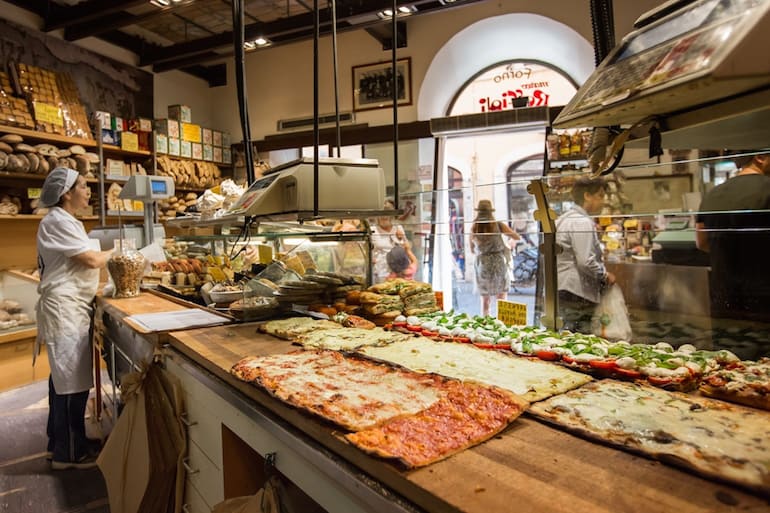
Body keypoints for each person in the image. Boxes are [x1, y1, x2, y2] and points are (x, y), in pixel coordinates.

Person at [35, 167, 113, 470]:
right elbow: (91, 259)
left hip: (71, 305)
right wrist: (119, 251)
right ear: (66, 193)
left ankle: (60, 443)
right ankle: (70, 454)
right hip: (64, 308)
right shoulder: (56, 220)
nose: (88, 190)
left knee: (64, 380)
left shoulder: (67, 221)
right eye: (82, 185)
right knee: (71, 382)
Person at [695, 152, 770, 358]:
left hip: (724, 296)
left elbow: (702, 242)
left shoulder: (713, 193)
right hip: (764, 299)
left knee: (729, 364)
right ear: (760, 158)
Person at [556, 177, 615, 333]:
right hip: (577, 291)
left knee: (569, 337)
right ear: (587, 196)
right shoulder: (581, 222)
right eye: (600, 196)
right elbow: (585, 261)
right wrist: (604, 275)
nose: (603, 201)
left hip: (564, 287)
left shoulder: (564, 219)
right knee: (580, 341)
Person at [471, 199, 520, 317]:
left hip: (482, 263)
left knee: (485, 299)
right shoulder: (498, 225)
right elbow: (516, 236)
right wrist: (507, 244)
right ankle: (503, 323)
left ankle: (486, 323)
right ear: (490, 212)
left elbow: (472, 249)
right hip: (498, 262)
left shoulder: (475, 227)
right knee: (501, 296)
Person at [371, 198, 407, 283]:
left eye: (388, 211)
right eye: (381, 211)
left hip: (398, 273)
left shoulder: (398, 228)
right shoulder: (372, 230)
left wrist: (401, 239)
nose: (384, 215)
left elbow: (407, 249)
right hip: (380, 273)